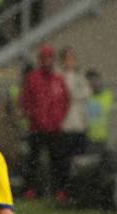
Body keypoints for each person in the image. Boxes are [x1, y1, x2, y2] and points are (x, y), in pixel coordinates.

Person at [20, 44, 69, 199]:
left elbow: (65, 101)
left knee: (58, 161)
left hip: (54, 128)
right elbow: (25, 100)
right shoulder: (32, 78)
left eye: (50, 58)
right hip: (36, 127)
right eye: (44, 58)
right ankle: (30, 190)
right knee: (32, 160)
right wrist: (32, 116)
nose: (47, 61)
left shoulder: (58, 79)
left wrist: (58, 118)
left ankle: (59, 191)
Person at [58, 46, 90, 202]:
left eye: (72, 58)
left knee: (79, 161)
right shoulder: (59, 76)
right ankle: (65, 192)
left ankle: (78, 192)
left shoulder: (79, 76)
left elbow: (86, 93)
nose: (70, 61)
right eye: (67, 58)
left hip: (79, 126)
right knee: (65, 161)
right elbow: (64, 95)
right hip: (65, 125)